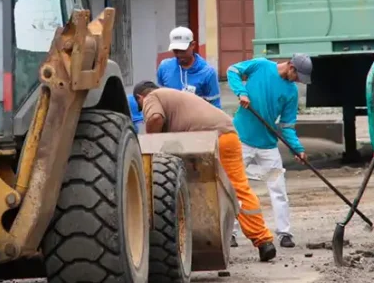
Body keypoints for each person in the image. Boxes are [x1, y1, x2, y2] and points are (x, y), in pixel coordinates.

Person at [133, 81, 277, 262]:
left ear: (140, 97)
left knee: (193, 190)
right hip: (228, 136)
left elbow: (154, 118)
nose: (142, 109)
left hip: (210, 139)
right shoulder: (175, 97)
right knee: (239, 189)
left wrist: (151, 143)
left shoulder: (152, 97)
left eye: (140, 106)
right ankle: (263, 241)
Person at [227, 54, 312, 249]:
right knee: (233, 186)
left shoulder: (291, 92)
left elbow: (287, 125)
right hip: (242, 140)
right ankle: (229, 232)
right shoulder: (261, 65)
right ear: (290, 66)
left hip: (268, 146)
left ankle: (284, 233)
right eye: (297, 76)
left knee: (278, 188)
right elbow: (232, 70)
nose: (298, 81)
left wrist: (297, 148)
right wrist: (241, 92)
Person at [157, 26, 221, 108]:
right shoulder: (164, 67)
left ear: (193, 45)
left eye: (183, 51)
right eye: (176, 51)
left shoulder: (208, 72)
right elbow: (159, 97)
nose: (179, 55)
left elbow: (215, 106)